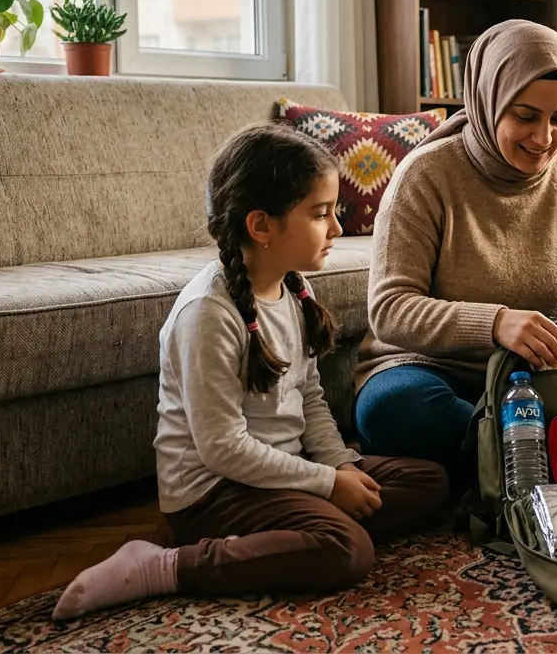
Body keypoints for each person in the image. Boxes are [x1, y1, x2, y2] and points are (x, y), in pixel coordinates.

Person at [52, 123, 450, 621]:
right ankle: (166, 565)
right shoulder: (208, 314)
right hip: (213, 494)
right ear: (261, 226)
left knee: (430, 481)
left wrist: (341, 467)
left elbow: (310, 401)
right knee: (347, 549)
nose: (337, 229)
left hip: (282, 472)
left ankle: (291, 539)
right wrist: (326, 484)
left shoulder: (291, 290)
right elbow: (221, 449)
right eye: (320, 214)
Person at [353, 19, 557, 487]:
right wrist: (496, 323)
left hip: (531, 376)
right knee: (394, 409)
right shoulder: (426, 175)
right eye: (524, 116)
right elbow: (390, 311)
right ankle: (554, 457)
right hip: (426, 369)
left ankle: (501, 466)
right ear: (487, 101)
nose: (544, 138)